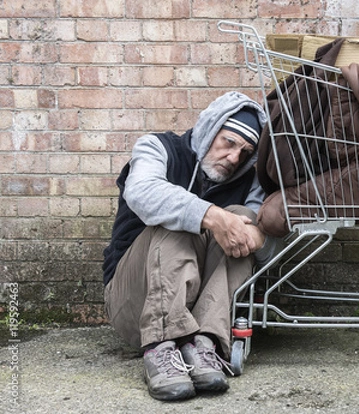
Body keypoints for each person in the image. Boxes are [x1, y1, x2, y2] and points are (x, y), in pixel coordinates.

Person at [102, 91, 280, 401]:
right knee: (179, 216)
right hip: (135, 303)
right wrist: (209, 216)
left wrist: (258, 239)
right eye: (228, 142)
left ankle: (205, 345)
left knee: (242, 220)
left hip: (200, 312)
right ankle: (160, 350)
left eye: (245, 151)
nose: (234, 158)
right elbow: (143, 191)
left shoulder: (248, 181)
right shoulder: (157, 147)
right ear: (210, 129)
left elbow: (267, 251)